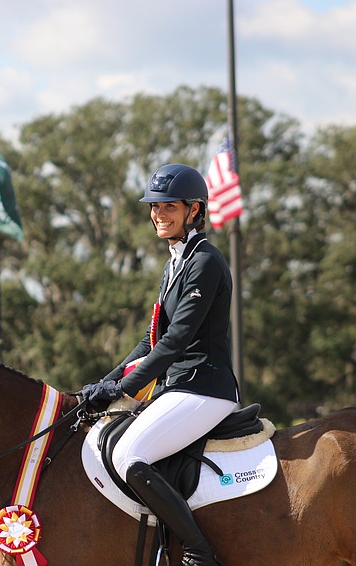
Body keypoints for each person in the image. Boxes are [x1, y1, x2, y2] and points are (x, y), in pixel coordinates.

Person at [80, 163, 240, 566]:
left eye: (169, 206)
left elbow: (176, 341)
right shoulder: (176, 263)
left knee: (129, 455)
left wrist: (123, 390)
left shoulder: (205, 261)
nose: (158, 214)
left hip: (205, 387)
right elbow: (149, 341)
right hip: (178, 387)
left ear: (194, 210)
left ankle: (201, 554)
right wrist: (105, 382)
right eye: (154, 206)